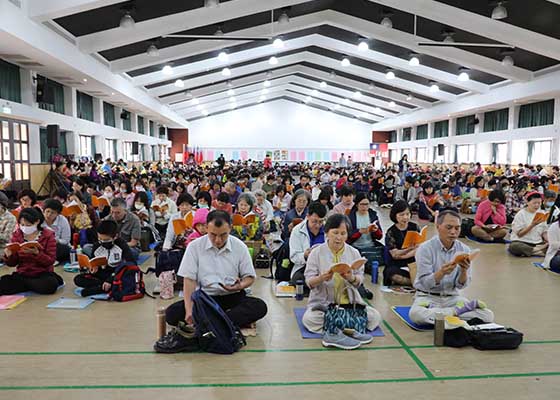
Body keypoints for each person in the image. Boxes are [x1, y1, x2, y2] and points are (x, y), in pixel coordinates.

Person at [162, 210, 268, 352]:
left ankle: (207, 324)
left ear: (230, 228)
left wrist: (240, 285)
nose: (218, 240)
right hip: (205, 300)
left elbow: (249, 277)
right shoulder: (195, 247)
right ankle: (223, 324)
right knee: (171, 313)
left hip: (231, 296)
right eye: (213, 235)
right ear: (206, 228)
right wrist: (189, 310)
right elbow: (189, 281)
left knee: (259, 306)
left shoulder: (239, 246)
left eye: (223, 235)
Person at [302, 213, 382, 349]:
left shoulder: (354, 252)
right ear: (327, 232)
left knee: (375, 317)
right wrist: (321, 278)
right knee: (309, 319)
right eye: (335, 233)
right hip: (325, 305)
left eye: (343, 233)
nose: (339, 237)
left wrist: (351, 278)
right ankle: (348, 328)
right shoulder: (316, 252)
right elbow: (308, 281)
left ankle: (335, 329)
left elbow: (359, 281)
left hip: (349, 305)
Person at [409, 210, 494, 325]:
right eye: (449, 227)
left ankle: (442, 316)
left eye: (457, 228)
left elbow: (462, 285)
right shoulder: (425, 249)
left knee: (487, 315)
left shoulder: (464, 249)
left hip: (452, 298)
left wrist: (464, 271)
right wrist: (441, 273)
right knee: (416, 314)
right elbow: (425, 283)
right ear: (438, 227)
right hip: (428, 297)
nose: (453, 232)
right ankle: (455, 314)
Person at [0, 207, 63, 295]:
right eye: (22, 225)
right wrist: (9, 256)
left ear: (37, 222)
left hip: (41, 273)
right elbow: (13, 264)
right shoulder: (17, 235)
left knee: (49, 285)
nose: (25, 227)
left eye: (28, 225)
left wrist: (37, 254)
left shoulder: (48, 235)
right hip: (23, 273)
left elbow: (50, 261)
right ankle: (29, 285)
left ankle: (27, 285)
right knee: (3, 283)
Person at [74, 220, 135, 297]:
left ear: (115, 236)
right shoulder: (97, 245)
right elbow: (93, 261)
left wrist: (110, 279)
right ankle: (104, 287)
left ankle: (101, 288)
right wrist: (92, 268)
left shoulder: (122, 246)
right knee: (78, 279)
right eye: (100, 239)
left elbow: (131, 264)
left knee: (126, 280)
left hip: (117, 275)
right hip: (102, 275)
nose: (102, 242)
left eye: (106, 240)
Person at [289, 201, 327, 284]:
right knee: (300, 281)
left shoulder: (328, 230)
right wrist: (305, 255)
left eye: (321, 222)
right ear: (308, 216)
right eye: (314, 221)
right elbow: (293, 257)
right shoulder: (297, 231)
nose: (317, 225)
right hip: (304, 267)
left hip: (325, 267)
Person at [384, 200, 419, 286]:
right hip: (397, 263)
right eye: (401, 215)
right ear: (395, 215)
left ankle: (416, 281)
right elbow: (395, 255)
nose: (405, 217)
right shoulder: (391, 232)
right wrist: (409, 250)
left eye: (407, 214)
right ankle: (416, 282)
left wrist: (404, 254)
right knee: (394, 275)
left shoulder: (414, 227)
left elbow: (419, 248)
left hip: (414, 261)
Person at [509, 192, 549, 257]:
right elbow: (519, 234)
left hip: (537, 243)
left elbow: (544, 231)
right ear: (527, 202)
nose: (537, 205)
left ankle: (533, 251)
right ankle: (538, 251)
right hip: (522, 241)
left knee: (554, 247)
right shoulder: (521, 214)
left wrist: (548, 241)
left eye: (539, 203)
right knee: (514, 247)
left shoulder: (542, 213)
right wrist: (532, 225)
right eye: (534, 203)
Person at [347, 193, 383, 265]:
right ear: (357, 205)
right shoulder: (351, 216)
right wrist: (359, 232)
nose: (365, 207)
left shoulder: (373, 215)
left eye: (367, 204)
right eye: (362, 204)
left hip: (371, 245)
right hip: (355, 246)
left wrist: (376, 230)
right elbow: (348, 236)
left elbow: (380, 236)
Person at [42, 199, 72, 263]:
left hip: (57, 246)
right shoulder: (39, 220)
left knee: (64, 249)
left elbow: (66, 240)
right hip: (43, 245)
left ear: (58, 214)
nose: (49, 214)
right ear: (43, 211)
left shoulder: (63, 220)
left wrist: (56, 240)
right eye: (47, 211)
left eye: (52, 212)